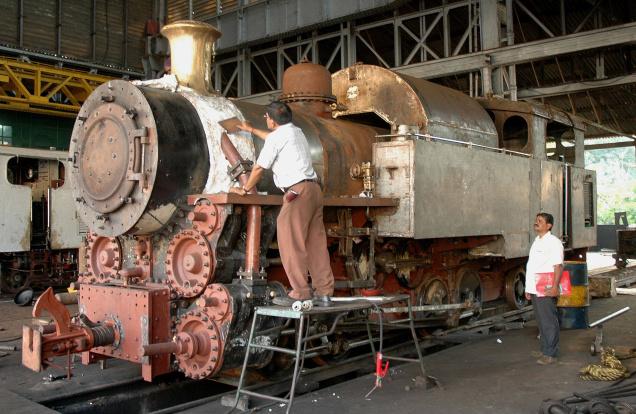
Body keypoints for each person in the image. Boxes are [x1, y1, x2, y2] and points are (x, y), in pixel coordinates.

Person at [229, 101, 334, 307]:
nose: (265, 120)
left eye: (267, 118)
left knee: (289, 240)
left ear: (272, 120)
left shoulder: (277, 137)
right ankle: (324, 292)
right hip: (313, 190)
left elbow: (259, 168)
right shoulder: (296, 132)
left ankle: (301, 292)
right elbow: (273, 138)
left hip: (296, 193)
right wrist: (250, 130)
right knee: (316, 245)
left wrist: (243, 189)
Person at [525, 212, 564, 365]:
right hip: (535, 287)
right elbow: (533, 266)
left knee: (548, 320)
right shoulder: (537, 241)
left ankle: (551, 354)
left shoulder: (553, 242)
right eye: (536, 220)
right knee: (541, 321)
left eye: (540, 221)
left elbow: (558, 266)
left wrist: (555, 287)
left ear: (549, 226)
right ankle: (544, 349)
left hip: (546, 287)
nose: (536, 223)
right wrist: (529, 288)